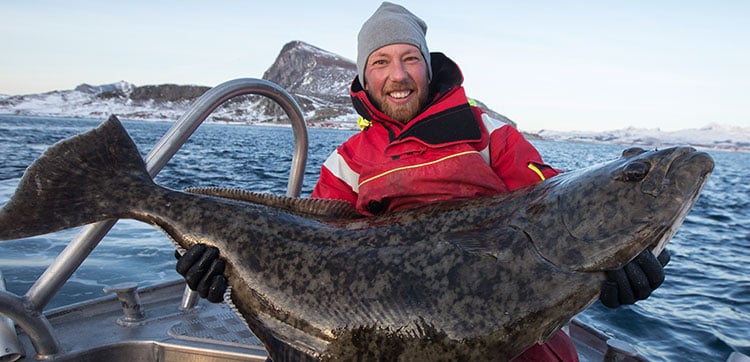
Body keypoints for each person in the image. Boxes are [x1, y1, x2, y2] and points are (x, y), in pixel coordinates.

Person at [176, 2, 670, 361]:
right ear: (365, 78)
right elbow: (306, 257)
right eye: (381, 62)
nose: (398, 75)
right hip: (388, 336)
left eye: (410, 58)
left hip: (514, 336)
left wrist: (622, 266)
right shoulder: (344, 164)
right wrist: (229, 272)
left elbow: (563, 209)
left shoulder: (490, 134)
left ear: (428, 66)